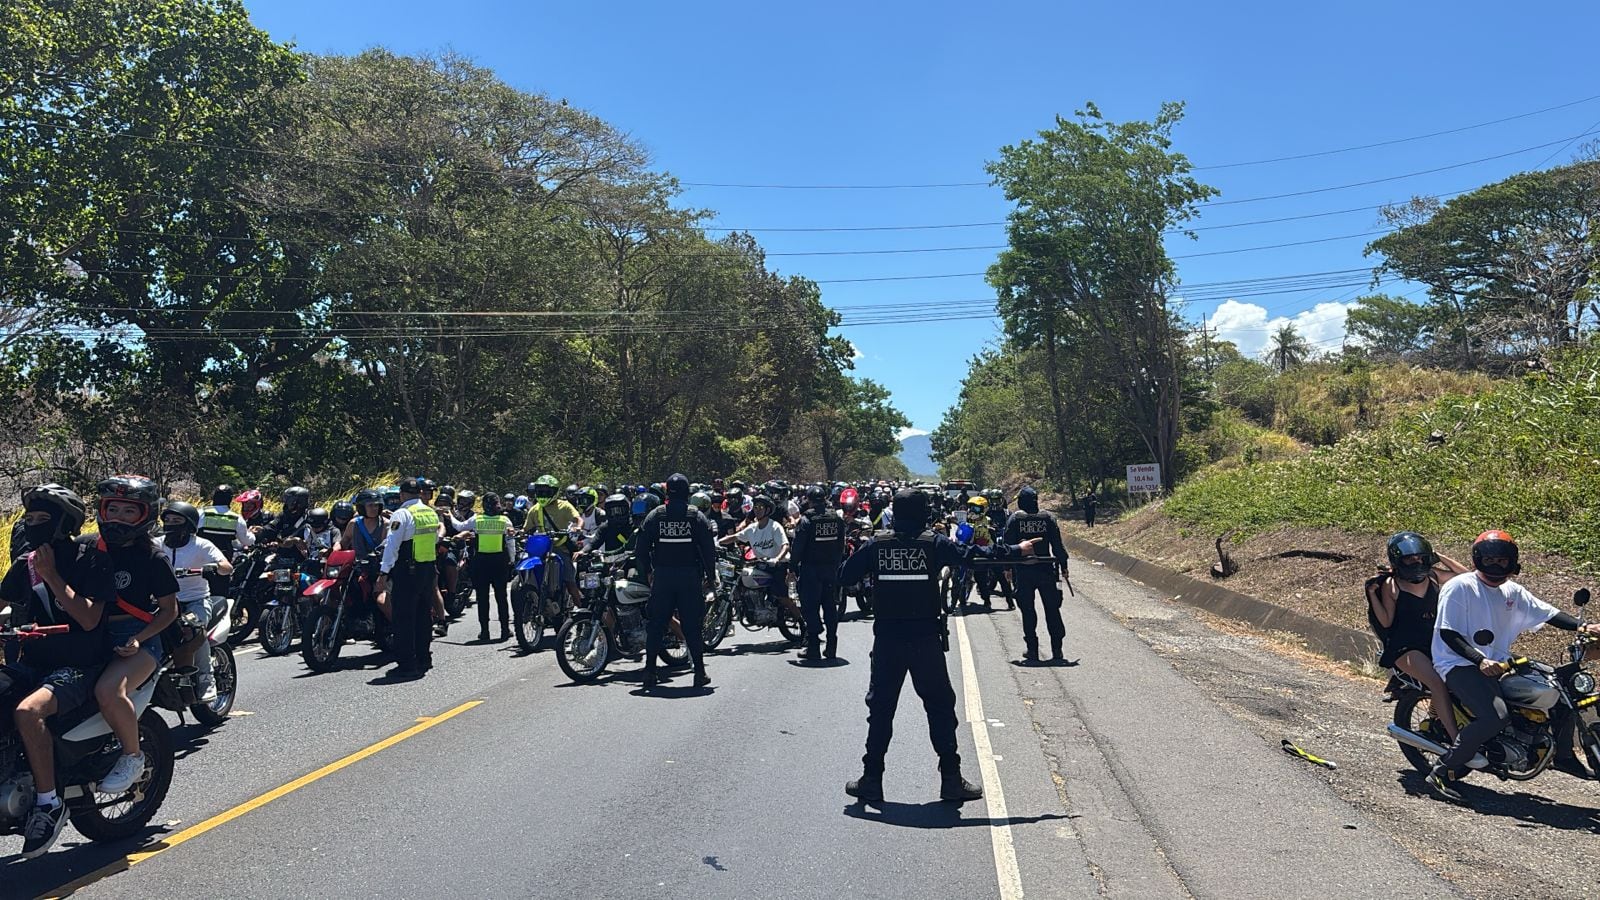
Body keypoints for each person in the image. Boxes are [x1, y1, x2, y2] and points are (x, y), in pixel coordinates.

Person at [837, 488, 1040, 802]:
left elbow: (845, 575)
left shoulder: (878, 545)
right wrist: (1018, 549)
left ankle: (872, 779)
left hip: (888, 641)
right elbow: (974, 556)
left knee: (881, 711)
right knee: (940, 708)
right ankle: (950, 779)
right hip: (924, 642)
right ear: (923, 514)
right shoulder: (934, 543)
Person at [1426, 531, 1600, 802]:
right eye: (1490, 560)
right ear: (1477, 560)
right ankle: (1442, 769)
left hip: (1498, 661)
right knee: (1494, 716)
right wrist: (1480, 660)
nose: (1496, 566)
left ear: (1513, 564)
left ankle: (1563, 756)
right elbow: (1449, 633)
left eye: (1502, 561)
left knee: (1559, 692)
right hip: (1458, 662)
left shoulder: (1512, 592)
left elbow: (1548, 613)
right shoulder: (1461, 586)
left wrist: (1584, 626)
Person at [1, 484, 114, 858]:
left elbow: (88, 616)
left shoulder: (90, 557)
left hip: (78, 665)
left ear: (63, 522)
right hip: (31, 662)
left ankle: (49, 804)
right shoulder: (25, 564)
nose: (31, 525)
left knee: (27, 712)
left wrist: (51, 575)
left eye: (41, 518)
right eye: (28, 518)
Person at [90, 475, 180, 796]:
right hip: (90, 636)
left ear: (145, 515)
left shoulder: (152, 559)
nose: (118, 517)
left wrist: (140, 638)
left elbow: (170, 611)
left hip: (137, 639)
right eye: (112, 508)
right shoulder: (87, 547)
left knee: (109, 690)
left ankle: (132, 755)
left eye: (129, 512)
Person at [1366, 532, 1468, 744]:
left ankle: (1435, 722)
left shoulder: (1433, 575)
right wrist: (1371, 595)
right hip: (1406, 647)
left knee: (1460, 677)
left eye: (1421, 557)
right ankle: (1458, 741)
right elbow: (1385, 621)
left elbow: (1467, 576)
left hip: (1435, 641)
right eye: (1410, 558)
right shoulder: (1392, 585)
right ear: (1398, 561)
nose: (1417, 562)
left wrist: (1438, 556)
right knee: (1437, 683)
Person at [635, 474, 716, 690]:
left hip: (663, 578)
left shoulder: (655, 516)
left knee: (657, 625)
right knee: (692, 626)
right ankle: (699, 672)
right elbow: (709, 551)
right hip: (689, 578)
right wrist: (711, 577)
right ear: (687, 492)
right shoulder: (696, 516)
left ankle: (650, 671)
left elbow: (640, 550)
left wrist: (648, 574)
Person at [157, 501, 232, 702]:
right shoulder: (158, 543)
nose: (171, 524)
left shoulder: (201, 544)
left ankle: (206, 680)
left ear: (188, 523)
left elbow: (226, 566)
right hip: (163, 602)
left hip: (196, 601)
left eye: (177, 520)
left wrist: (214, 567)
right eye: (168, 520)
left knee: (192, 628)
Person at [375, 478, 442, 679]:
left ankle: (407, 664)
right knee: (423, 616)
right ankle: (424, 658)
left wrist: (383, 573)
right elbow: (436, 538)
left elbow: (392, 545)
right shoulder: (430, 512)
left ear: (402, 495)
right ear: (420, 493)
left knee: (403, 618)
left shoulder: (402, 513)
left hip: (407, 570)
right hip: (427, 568)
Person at [1003, 486, 1070, 663]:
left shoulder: (1015, 519)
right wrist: (1064, 566)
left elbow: (1008, 546)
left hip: (1024, 571)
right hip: (1047, 569)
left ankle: (1032, 650)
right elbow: (1058, 546)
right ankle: (1057, 650)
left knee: (1028, 611)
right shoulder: (1048, 518)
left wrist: (1007, 568)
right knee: (1052, 609)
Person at [791, 485, 845, 661]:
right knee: (830, 606)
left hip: (811, 569)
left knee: (810, 607)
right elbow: (841, 544)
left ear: (809, 500)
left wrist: (792, 567)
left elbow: (798, 546)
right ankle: (831, 646)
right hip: (830, 569)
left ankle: (813, 645)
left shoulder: (807, 520)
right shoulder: (836, 518)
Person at [719, 495, 796, 617]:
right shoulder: (752, 528)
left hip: (778, 565)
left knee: (781, 596)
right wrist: (718, 543)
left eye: (760, 507)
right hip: (761, 564)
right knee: (743, 577)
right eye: (755, 507)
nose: (757, 510)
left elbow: (785, 546)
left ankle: (802, 622)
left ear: (768, 510)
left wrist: (777, 559)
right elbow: (735, 537)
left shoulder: (775, 527)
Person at [460, 492, 513, 642]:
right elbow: (510, 542)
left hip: (481, 562)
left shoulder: (477, 519)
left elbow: (459, 526)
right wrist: (513, 560)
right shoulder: (504, 520)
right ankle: (504, 630)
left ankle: (485, 631)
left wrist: (449, 514)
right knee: (501, 597)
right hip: (499, 562)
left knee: (483, 599)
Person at [526, 474, 583, 610]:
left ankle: (582, 612)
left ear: (554, 492)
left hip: (560, 547)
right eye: (540, 492)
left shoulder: (564, 506)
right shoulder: (535, 509)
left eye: (546, 492)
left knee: (570, 581)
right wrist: (514, 532)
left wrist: (578, 527)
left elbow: (578, 519)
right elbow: (526, 528)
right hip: (540, 548)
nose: (542, 495)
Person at [197, 484, 252, 599]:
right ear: (230, 499)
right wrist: (253, 534)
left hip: (198, 560)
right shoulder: (236, 518)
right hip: (222, 563)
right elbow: (247, 541)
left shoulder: (201, 513)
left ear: (214, 497)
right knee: (219, 597)